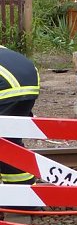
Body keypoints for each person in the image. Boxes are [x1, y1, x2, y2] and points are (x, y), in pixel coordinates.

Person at [0, 45, 39, 189]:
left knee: (4, 144)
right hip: (29, 82)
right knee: (9, 141)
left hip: (7, 88)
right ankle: (25, 192)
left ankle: (23, 196)